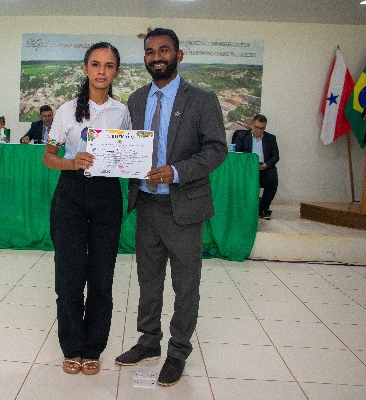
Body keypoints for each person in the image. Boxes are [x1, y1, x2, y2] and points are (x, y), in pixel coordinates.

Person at [114, 28, 226, 387]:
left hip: (184, 207)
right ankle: (149, 341)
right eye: (150, 52)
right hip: (146, 204)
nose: (156, 57)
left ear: (179, 55)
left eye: (164, 50)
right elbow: (126, 147)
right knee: (148, 280)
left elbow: (216, 149)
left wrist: (176, 172)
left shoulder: (202, 99)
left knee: (185, 284)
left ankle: (178, 351)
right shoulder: (136, 99)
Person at [43, 42, 131, 376]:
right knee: (69, 276)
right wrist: (72, 162)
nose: (101, 71)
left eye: (109, 66)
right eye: (96, 64)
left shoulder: (121, 112)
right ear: (85, 68)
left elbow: (126, 156)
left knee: (101, 277)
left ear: (116, 72)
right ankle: (72, 346)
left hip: (107, 194)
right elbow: (48, 157)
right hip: (71, 194)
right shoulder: (66, 110)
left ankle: (93, 347)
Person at [233, 114, 279, 219]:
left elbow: (276, 156)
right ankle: (242, 208)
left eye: (262, 128)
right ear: (252, 125)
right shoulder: (242, 136)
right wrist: (248, 165)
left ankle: (263, 208)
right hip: (247, 169)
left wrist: (267, 165)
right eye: (256, 127)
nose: (258, 130)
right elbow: (236, 154)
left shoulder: (271, 138)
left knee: (272, 180)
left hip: (263, 168)